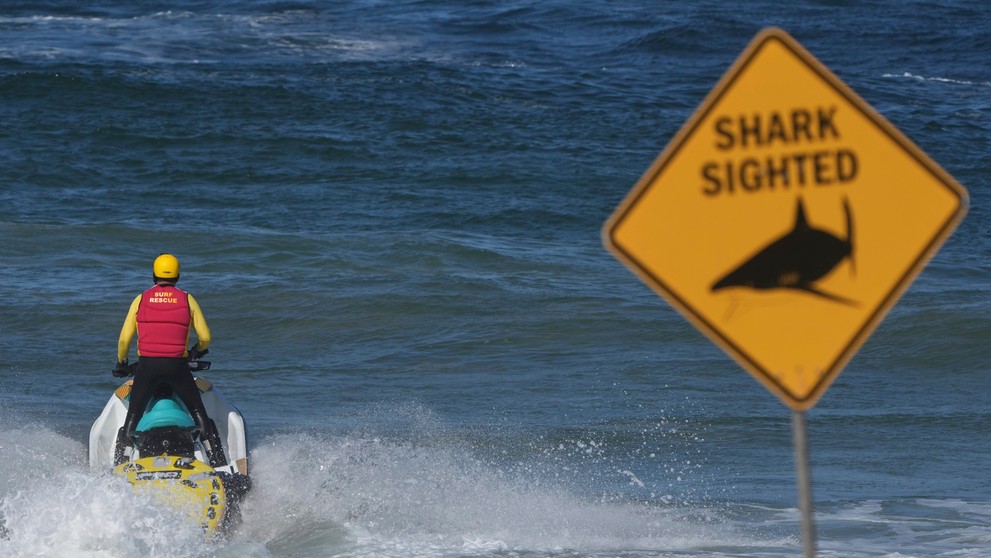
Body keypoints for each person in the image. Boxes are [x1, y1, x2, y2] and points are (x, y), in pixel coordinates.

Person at [113, 253, 226, 467]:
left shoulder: (141, 298)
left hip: (147, 367)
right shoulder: (186, 298)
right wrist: (196, 352)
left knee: (133, 415)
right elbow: (205, 337)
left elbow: (124, 338)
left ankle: (120, 464)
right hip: (177, 366)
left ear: (153, 275)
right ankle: (218, 463)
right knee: (197, 412)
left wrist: (121, 363)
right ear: (178, 276)